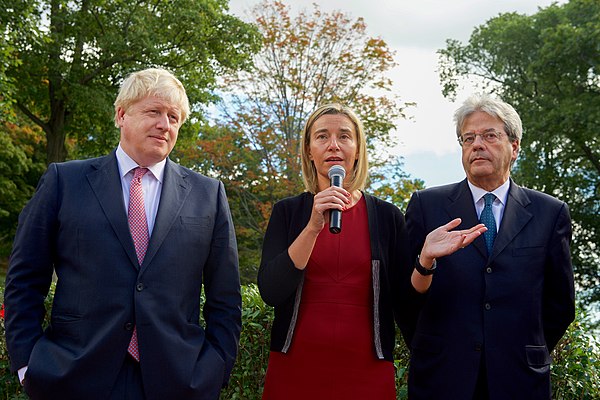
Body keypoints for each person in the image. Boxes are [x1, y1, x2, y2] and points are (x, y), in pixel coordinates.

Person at [4, 68, 241, 400]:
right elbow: (24, 280)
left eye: (174, 117)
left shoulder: (208, 194)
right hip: (73, 378)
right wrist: (29, 365)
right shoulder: (64, 182)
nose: (165, 124)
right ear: (121, 115)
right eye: (153, 111)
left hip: (178, 382)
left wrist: (214, 369)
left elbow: (226, 297)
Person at [257, 103, 485, 399]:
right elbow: (271, 291)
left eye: (345, 136)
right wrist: (313, 226)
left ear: (357, 149)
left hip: (366, 372)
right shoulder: (288, 212)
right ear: (309, 150)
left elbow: (407, 301)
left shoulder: (387, 216)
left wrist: (425, 260)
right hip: (294, 369)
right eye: (322, 136)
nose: (334, 145)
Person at [404, 93, 576, 399]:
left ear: (514, 147)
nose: (476, 144)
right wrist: (425, 261)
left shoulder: (550, 213)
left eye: (489, 135)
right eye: (468, 138)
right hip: (441, 378)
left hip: (520, 380)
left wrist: (519, 350)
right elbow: (404, 300)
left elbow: (559, 305)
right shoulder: (426, 206)